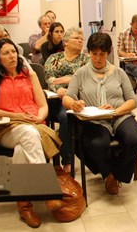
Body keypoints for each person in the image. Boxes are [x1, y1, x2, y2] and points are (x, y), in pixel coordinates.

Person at [0, 38, 60, 228]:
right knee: (28, 134)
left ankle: (24, 206)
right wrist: (16, 115)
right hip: (4, 128)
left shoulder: (28, 74)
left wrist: (38, 119)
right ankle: (47, 190)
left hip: (32, 125)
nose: (12, 56)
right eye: (5, 53)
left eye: (13, 51)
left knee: (22, 149)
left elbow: (42, 106)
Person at [63, 32, 137, 195]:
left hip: (119, 115)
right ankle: (108, 173)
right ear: (89, 53)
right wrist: (74, 104)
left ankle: (114, 175)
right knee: (96, 144)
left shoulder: (119, 73)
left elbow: (132, 101)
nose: (98, 58)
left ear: (109, 53)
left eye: (102, 54)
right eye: (94, 54)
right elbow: (67, 97)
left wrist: (115, 111)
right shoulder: (81, 73)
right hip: (95, 120)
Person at [44, 27, 90, 173]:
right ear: (66, 41)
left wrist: (70, 80)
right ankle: (67, 159)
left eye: (82, 39)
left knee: (68, 116)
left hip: (80, 99)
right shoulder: (54, 59)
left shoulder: (86, 59)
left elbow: (87, 77)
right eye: (77, 38)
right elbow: (49, 77)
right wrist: (57, 88)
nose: (80, 41)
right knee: (64, 116)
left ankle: (70, 157)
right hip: (56, 100)